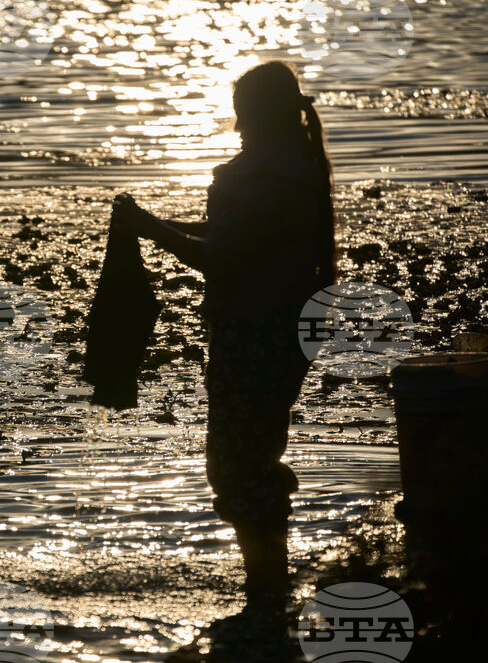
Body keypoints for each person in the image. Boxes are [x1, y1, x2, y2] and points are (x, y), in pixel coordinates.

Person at [113, 60, 336, 610]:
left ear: (260, 114)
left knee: (239, 463)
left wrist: (149, 229)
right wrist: (158, 222)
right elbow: (233, 236)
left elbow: (221, 259)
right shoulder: (289, 167)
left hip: (258, 333)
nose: (236, 126)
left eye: (242, 114)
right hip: (275, 331)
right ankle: (268, 579)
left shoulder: (270, 176)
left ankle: (267, 584)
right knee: (251, 455)